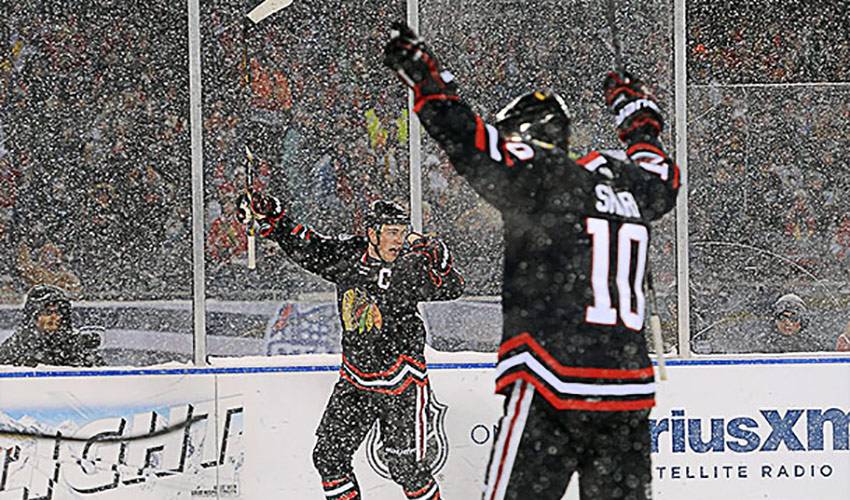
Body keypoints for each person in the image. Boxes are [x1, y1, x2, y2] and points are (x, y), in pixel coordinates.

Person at [383, 24, 680, 500]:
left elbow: (470, 141)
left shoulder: (544, 175)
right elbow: (663, 173)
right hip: (626, 390)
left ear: (527, 137)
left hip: (553, 378)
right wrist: (637, 117)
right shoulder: (628, 185)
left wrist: (426, 80)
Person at [237, 195, 464, 500]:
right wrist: (274, 219)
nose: (399, 239)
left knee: (406, 469)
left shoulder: (410, 264)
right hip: (356, 381)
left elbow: (453, 288)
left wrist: (440, 260)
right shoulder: (348, 255)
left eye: (402, 231)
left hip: (401, 385)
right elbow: (308, 247)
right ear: (372, 233)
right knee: (329, 458)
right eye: (391, 232)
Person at [0, 284, 103, 367]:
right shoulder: (18, 344)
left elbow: (102, 375)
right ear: (34, 317)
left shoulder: (74, 343)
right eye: (47, 312)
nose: (54, 317)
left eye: (58, 312)